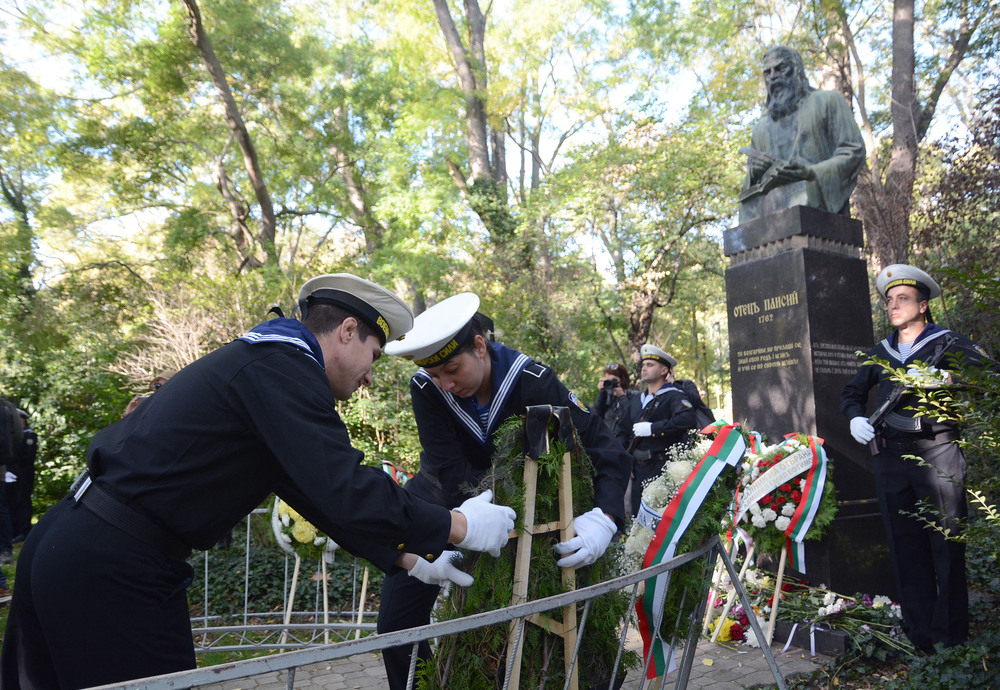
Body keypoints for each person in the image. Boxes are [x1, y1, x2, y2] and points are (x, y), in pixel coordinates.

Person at [0, 274, 516, 689]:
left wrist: (405, 558)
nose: (369, 379)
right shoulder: (284, 369)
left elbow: (314, 496)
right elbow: (348, 487)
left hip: (75, 545)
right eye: (374, 358)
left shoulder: (267, 364)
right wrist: (458, 524)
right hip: (112, 568)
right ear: (347, 331)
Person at [378, 292, 631, 690]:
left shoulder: (533, 381)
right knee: (395, 625)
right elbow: (448, 468)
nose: (445, 385)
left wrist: (605, 518)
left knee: (567, 626)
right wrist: (457, 529)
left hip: (531, 513)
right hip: (440, 500)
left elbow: (606, 450)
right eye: (435, 375)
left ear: (479, 346)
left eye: (452, 369)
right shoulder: (427, 388)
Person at [841, 264, 993, 654]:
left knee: (945, 546)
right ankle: (920, 638)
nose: (893, 305)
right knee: (904, 547)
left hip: (938, 454)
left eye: (902, 299)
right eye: (889, 300)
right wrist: (856, 416)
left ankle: (951, 638)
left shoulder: (949, 342)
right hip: (891, 459)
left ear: (923, 305)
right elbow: (851, 393)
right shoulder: (880, 352)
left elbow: (991, 376)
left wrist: (947, 380)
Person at [741, 45, 866, 217]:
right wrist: (754, 173)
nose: (773, 77)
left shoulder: (828, 102)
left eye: (780, 68)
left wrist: (810, 173)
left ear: (797, 69)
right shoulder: (760, 130)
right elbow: (751, 186)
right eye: (767, 73)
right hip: (772, 217)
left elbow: (854, 151)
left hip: (818, 214)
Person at [622, 344, 699, 518]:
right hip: (637, 471)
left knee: (661, 520)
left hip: (662, 468)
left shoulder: (674, 396)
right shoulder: (636, 401)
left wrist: (653, 429)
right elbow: (622, 431)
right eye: (643, 365)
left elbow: (687, 419)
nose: (644, 368)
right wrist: (625, 459)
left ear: (664, 370)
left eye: (650, 365)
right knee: (637, 521)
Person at [6, 409, 37, 543]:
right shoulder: (12, 434)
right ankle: (14, 530)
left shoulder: (28, 433)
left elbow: (27, 456)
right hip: (13, 472)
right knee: (12, 501)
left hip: (24, 472)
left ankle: (23, 531)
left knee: (22, 501)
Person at [593, 362, 639, 442]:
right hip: (607, 441)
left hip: (625, 444)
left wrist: (622, 397)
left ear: (622, 380)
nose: (610, 383)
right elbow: (596, 414)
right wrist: (602, 392)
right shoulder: (607, 396)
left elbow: (632, 417)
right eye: (607, 380)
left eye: (613, 380)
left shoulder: (635, 396)